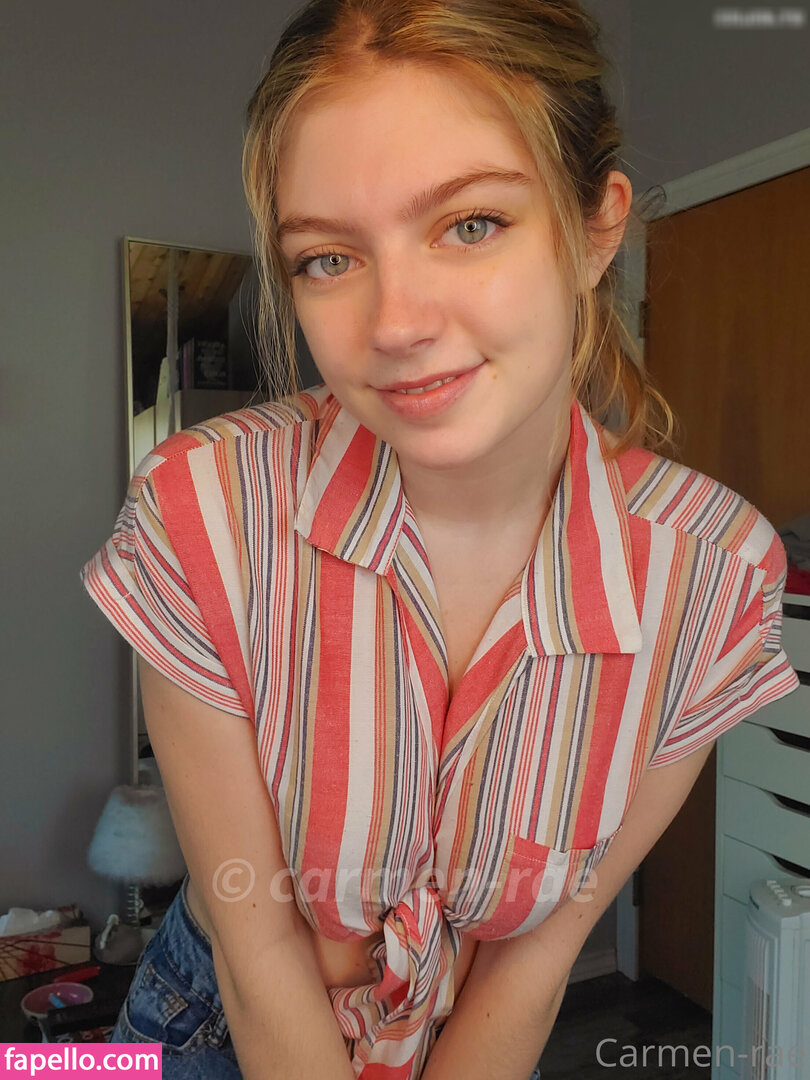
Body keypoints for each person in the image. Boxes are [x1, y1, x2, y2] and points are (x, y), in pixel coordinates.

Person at [80, 0, 799, 1077]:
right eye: (329, 257)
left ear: (596, 228)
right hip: (210, 1027)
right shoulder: (203, 513)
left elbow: (536, 958)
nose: (397, 324)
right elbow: (257, 948)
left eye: (470, 224)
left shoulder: (713, 579)